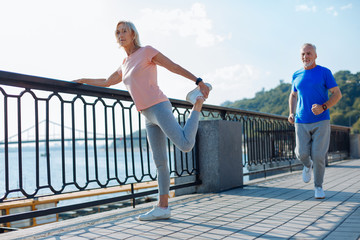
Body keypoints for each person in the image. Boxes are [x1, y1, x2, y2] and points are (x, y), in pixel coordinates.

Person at [73, 21, 212, 220]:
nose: (120, 35)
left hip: (159, 106)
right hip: (147, 115)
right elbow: (107, 81)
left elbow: (172, 66)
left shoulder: (146, 51)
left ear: (133, 34)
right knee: (160, 162)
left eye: (124, 31)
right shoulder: (124, 63)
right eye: (118, 32)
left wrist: (198, 81)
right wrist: (83, 80)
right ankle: (163, 207)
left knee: (185, 145)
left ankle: (196, 103)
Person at [288, 43, 342, 199]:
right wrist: (291, 112)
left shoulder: (324, 72)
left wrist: (323, 107)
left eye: (309, 53)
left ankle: (318, 186)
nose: (306, 57)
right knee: (301, 153)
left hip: (321, 121)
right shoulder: (296, 75)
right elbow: (293, 95)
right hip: (300, 120)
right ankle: (307, 164)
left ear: (315, 55)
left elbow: (337, 94)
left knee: (318, 155)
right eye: (303, 54)